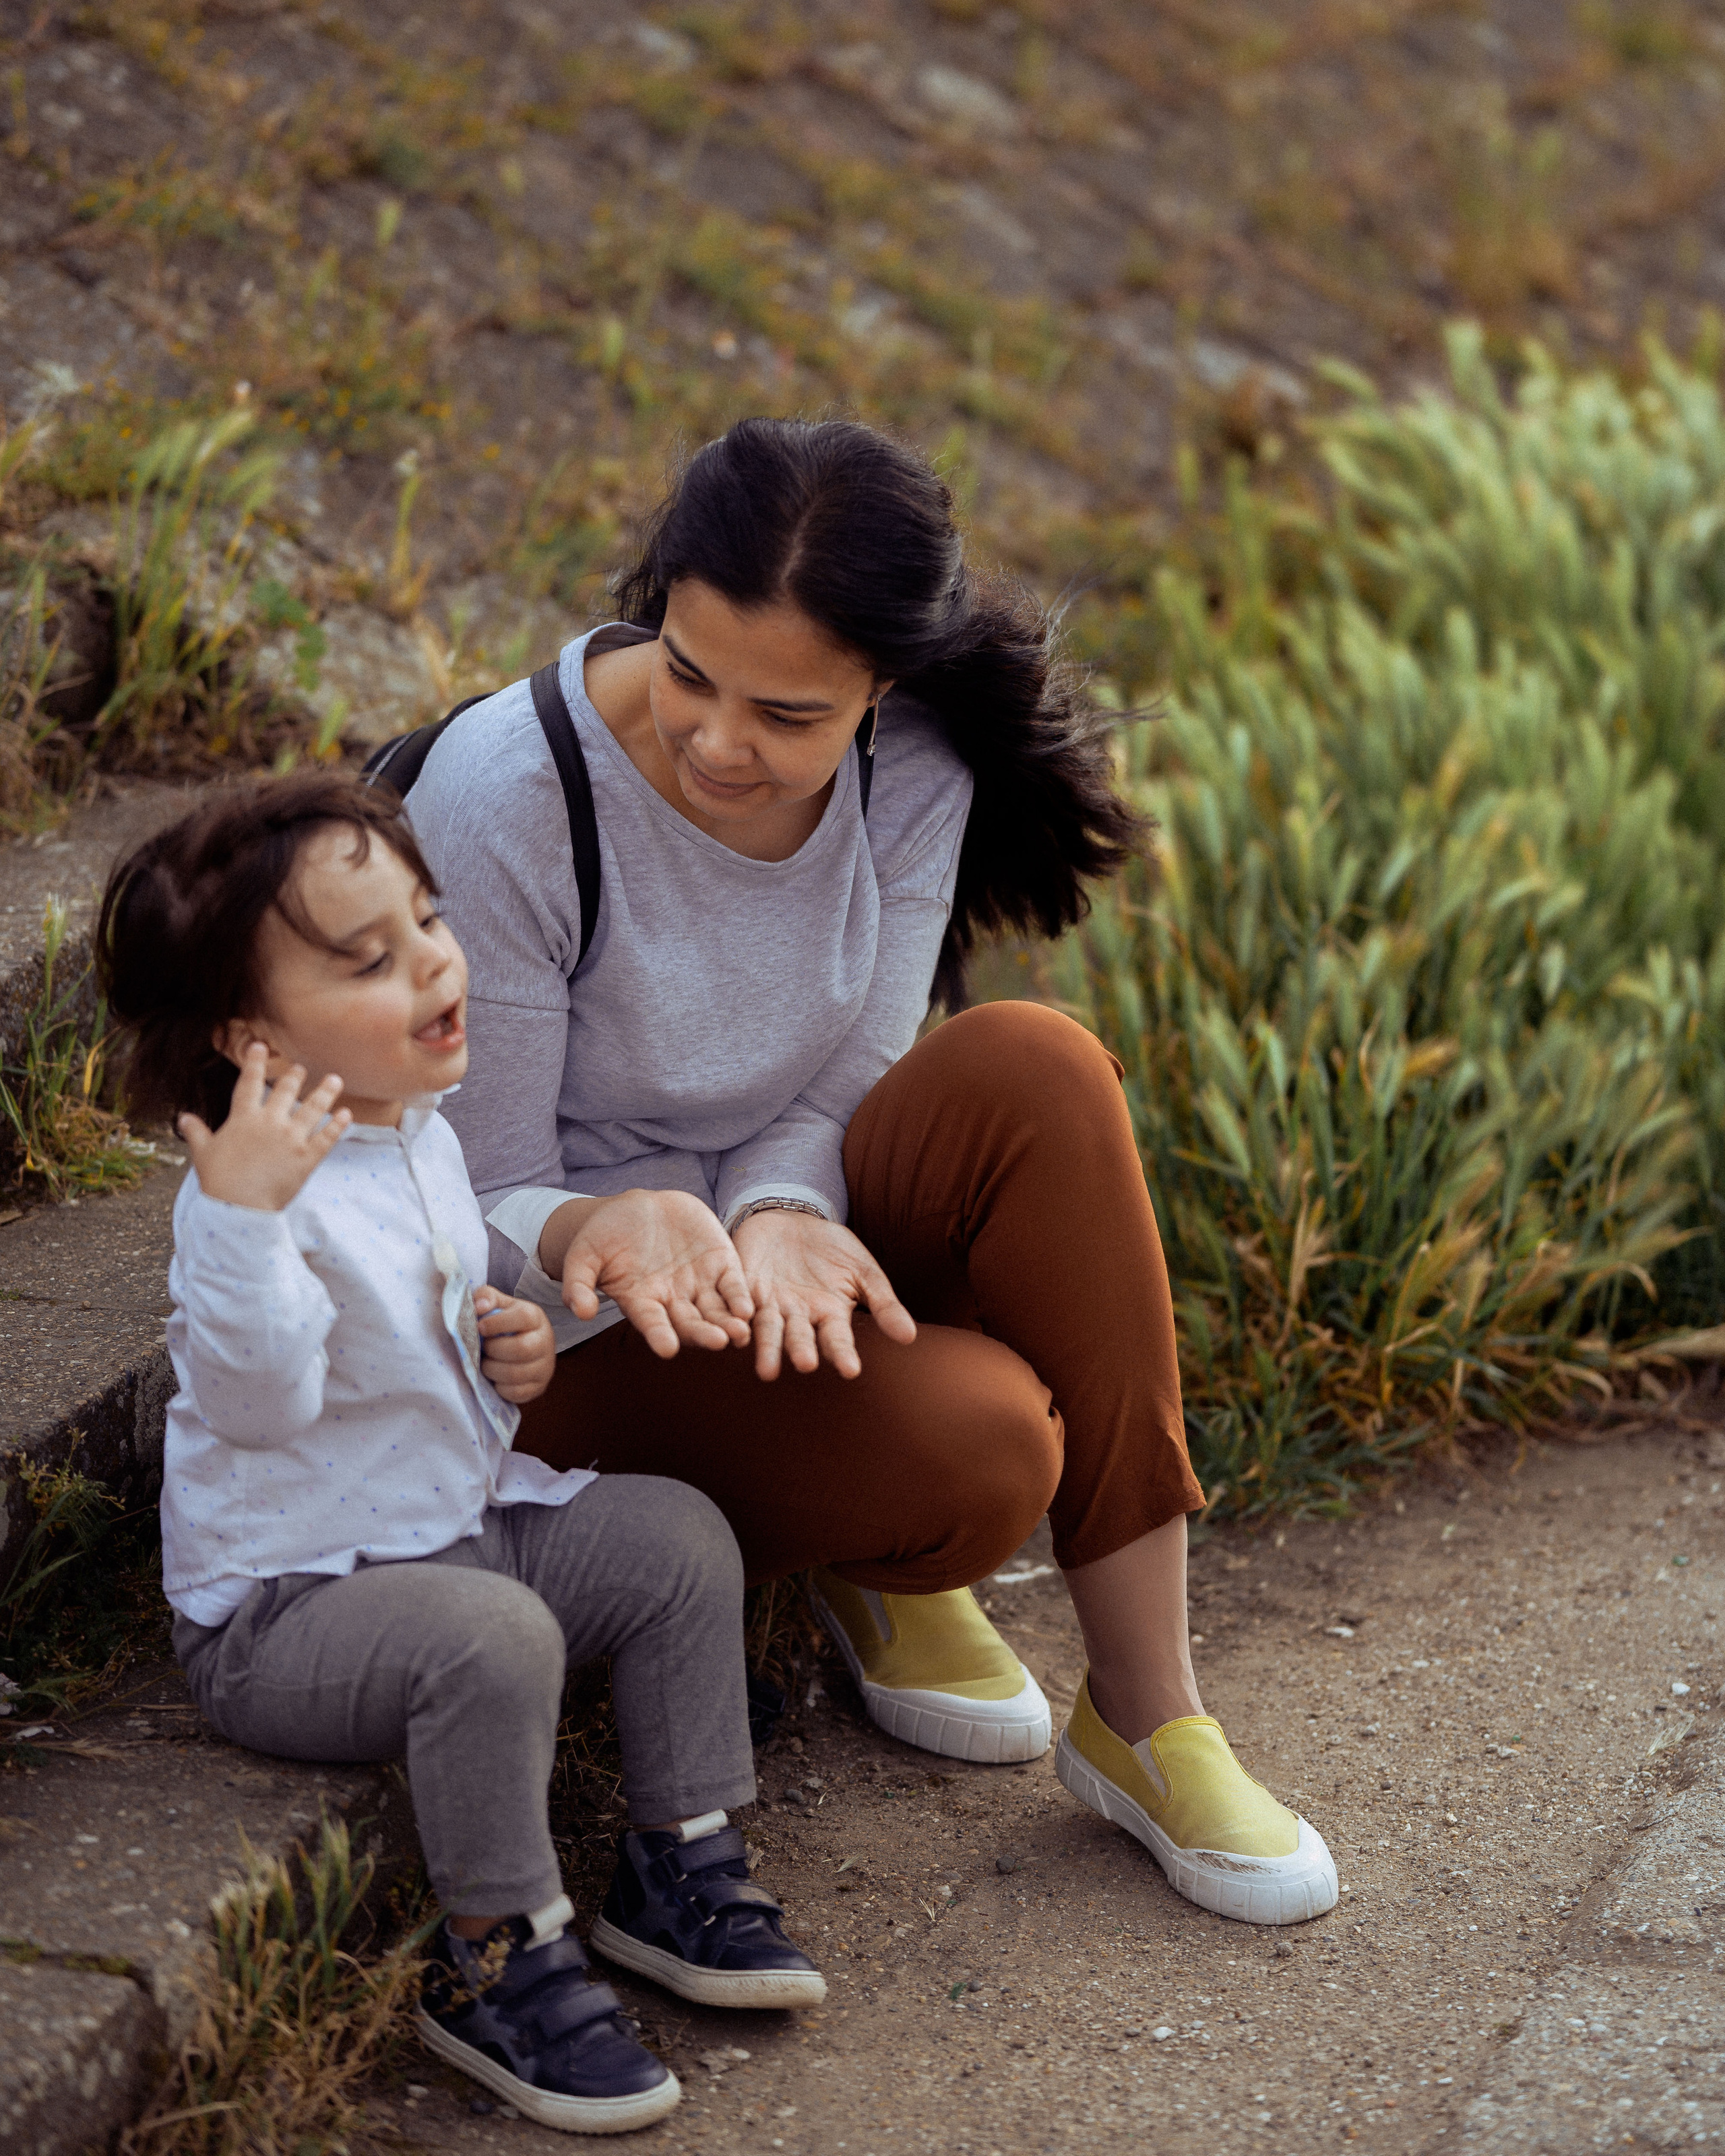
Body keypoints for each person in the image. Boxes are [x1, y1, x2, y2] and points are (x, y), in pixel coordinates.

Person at [409, 416, 1338, 1926]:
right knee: (983, 1452)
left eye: (785, 713)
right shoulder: (512, 797)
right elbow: (467, 1189)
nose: (718, 742)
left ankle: (1148, 1719)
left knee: (1035, 1062)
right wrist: (618, 1219)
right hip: (566, 1331)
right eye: (688, 671)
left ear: (880, 688)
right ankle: (872, 1547)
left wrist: (780, 1213)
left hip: (786, 1245)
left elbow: (851, 1070)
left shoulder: (910, 765)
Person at [96, 773, 826, 2137]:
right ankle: (489, 1952)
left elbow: (424, 1347)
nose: (433, 959)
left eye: (427, 919)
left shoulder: (411, 1135)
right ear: (251, 1036)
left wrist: (510, 1355)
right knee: (489, 1639)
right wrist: (249, 1222)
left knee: (674, 1539)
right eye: (369, 958)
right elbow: (258, 1403)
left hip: (451, 1524)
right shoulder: (241, 1203)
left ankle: (673, 1861)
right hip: (288, 1608)